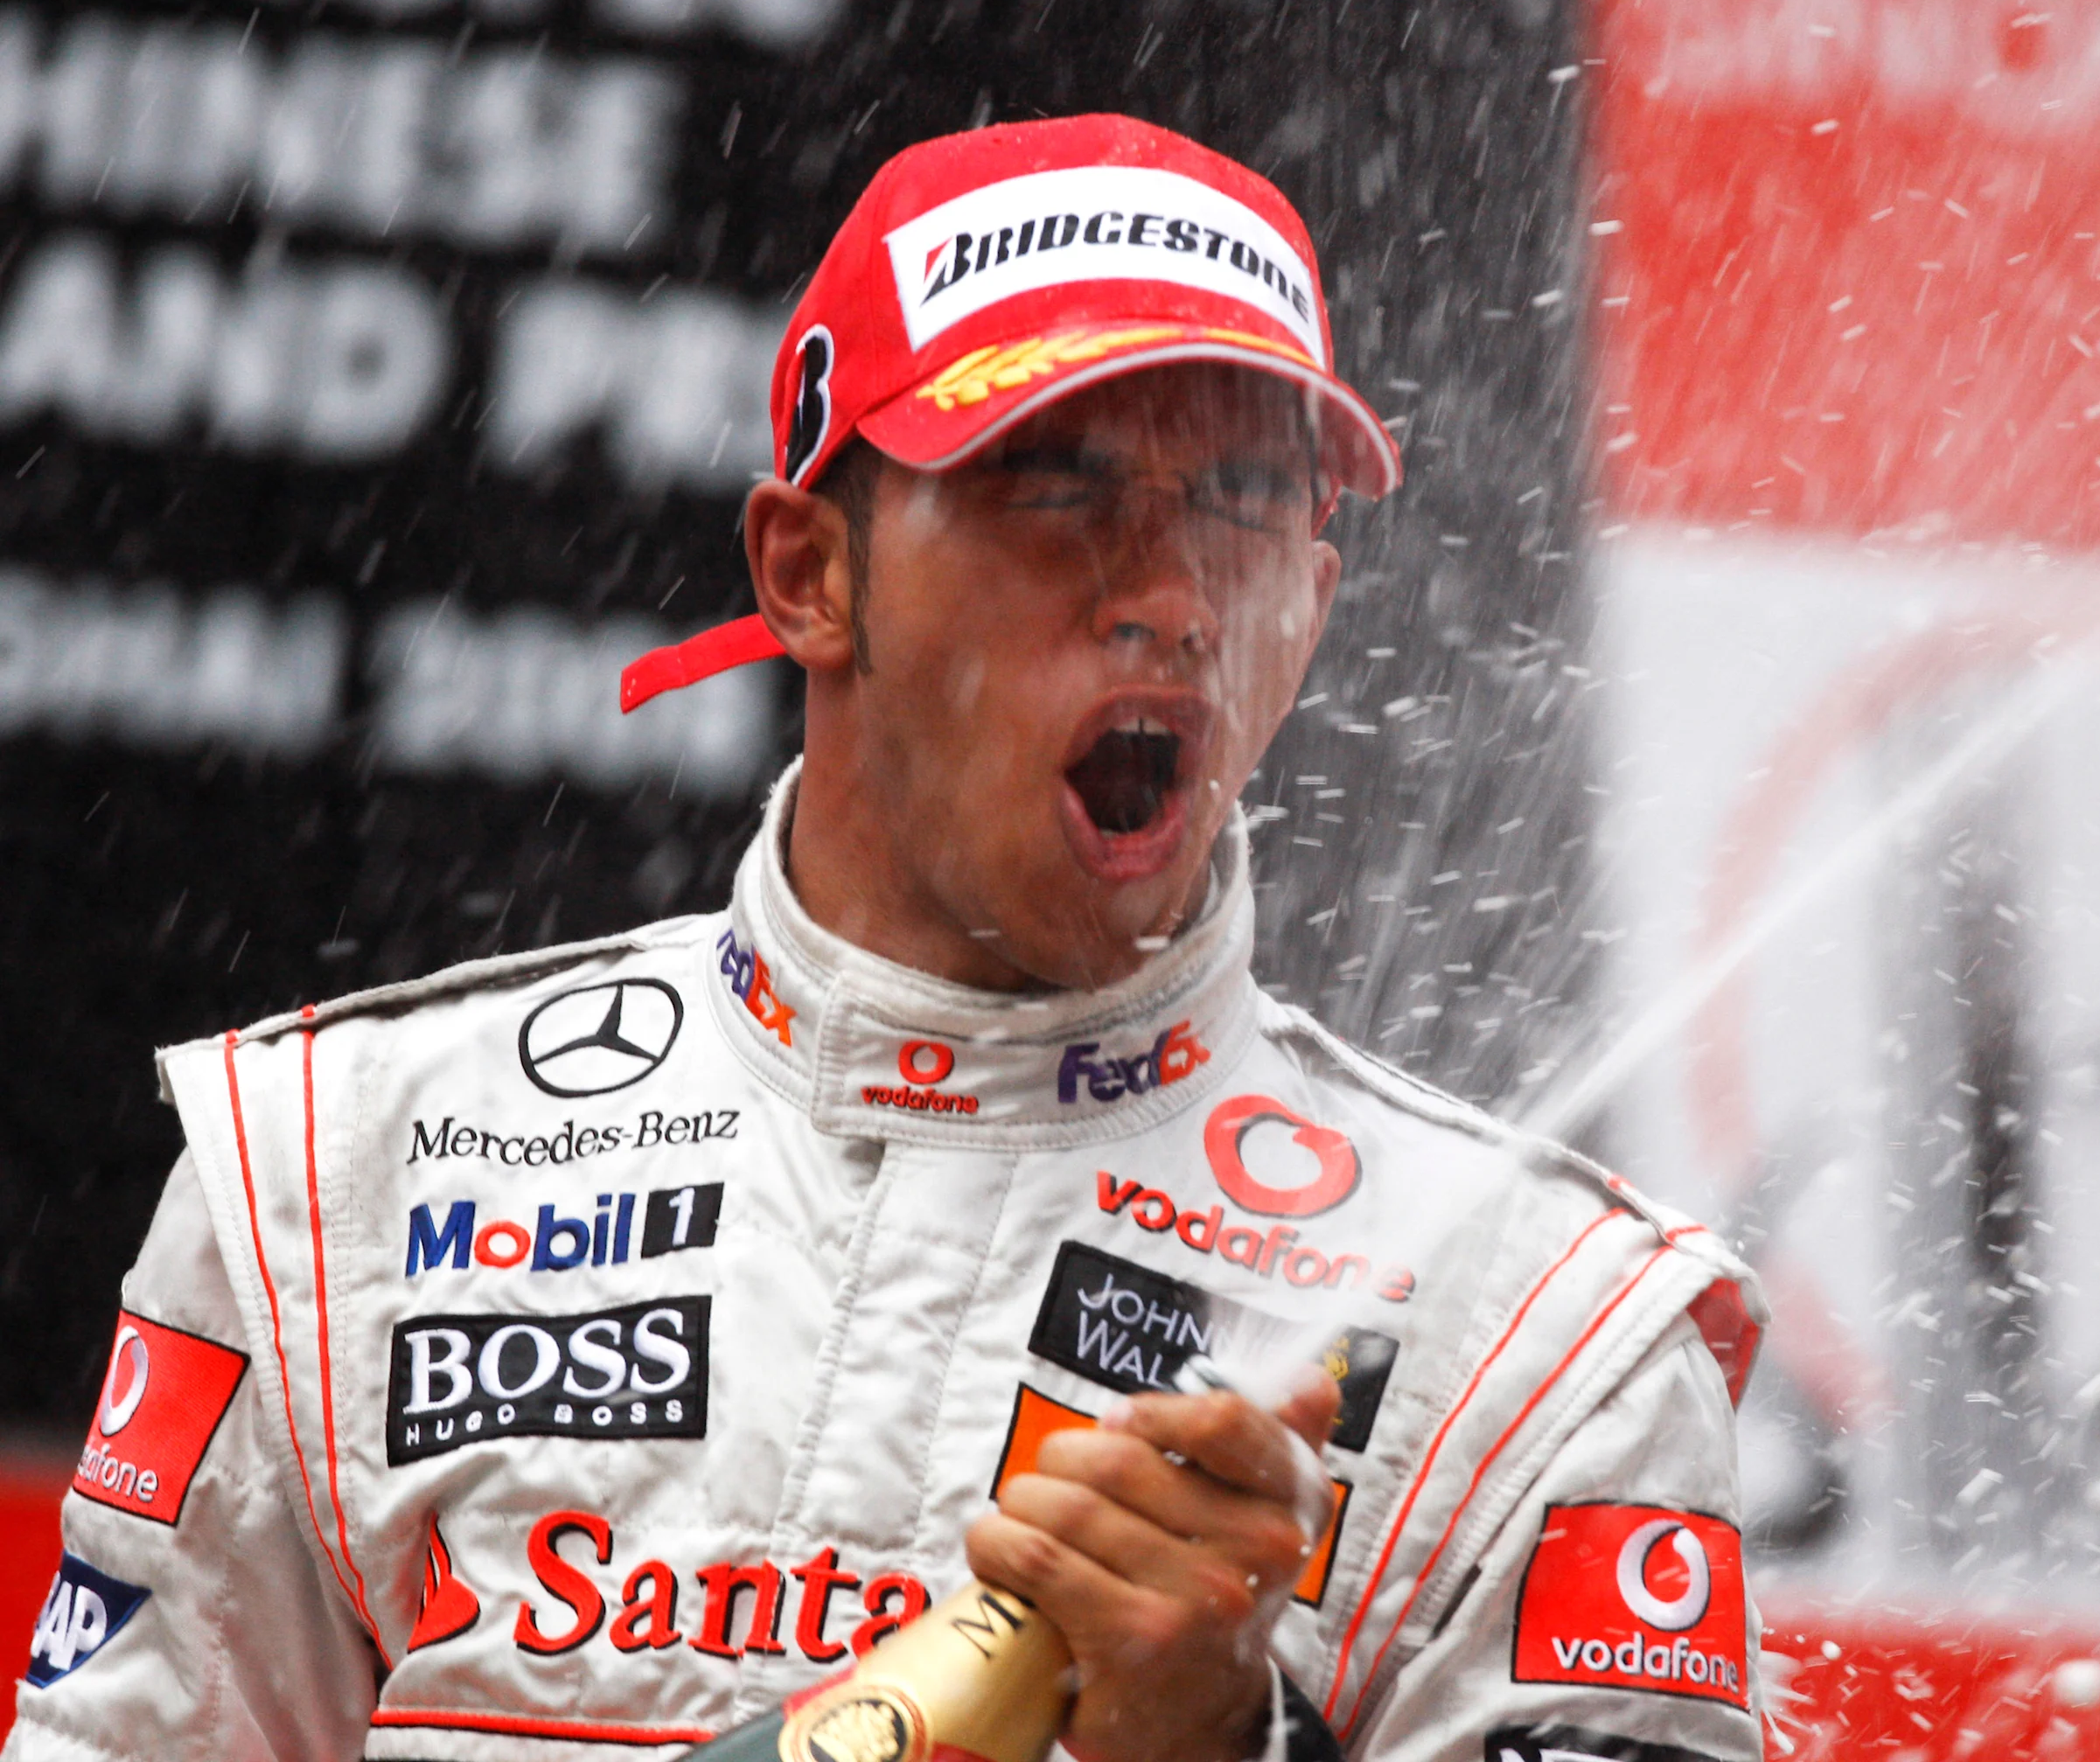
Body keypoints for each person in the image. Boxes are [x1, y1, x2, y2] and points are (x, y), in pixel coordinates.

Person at [10, 115, 1765, 1762]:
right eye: (1056, 482)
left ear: (1314, 597)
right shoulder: (328, 1181)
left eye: (1243, 496)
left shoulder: (1554, 1341)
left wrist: (1229, 1743)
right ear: (809, 574)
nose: (1172, 594)